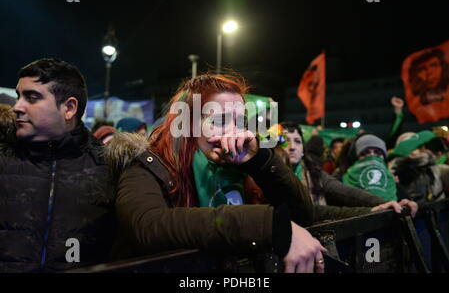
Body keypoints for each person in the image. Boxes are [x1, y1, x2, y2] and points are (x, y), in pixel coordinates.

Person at [106, 74, 327, 273]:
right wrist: (266, 224)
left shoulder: (241, 168)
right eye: (219, 121)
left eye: (239, 121)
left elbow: (302, 215)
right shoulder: (146, 165)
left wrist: (260, 161)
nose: (233, 131)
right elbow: (148, 226)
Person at [0, 58, 116, 272]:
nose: (17, 107)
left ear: (69, 108)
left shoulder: (109, 166)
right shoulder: (4, 156)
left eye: (31, 97)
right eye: (19, 96)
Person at [278, 121, 417, 220]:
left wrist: (386, 203)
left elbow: (348, 193)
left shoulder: (314, 173)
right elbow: (310, 212)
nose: (292, 147)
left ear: (303, 148)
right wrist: (369, 211)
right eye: (285, 141)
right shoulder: (269, 175)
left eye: (297, 141)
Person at [342, 134, 398, 202]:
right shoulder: (341, 183)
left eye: (377, 153)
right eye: (365, 153)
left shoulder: (393, 184)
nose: (372, 156)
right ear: (357, 158)